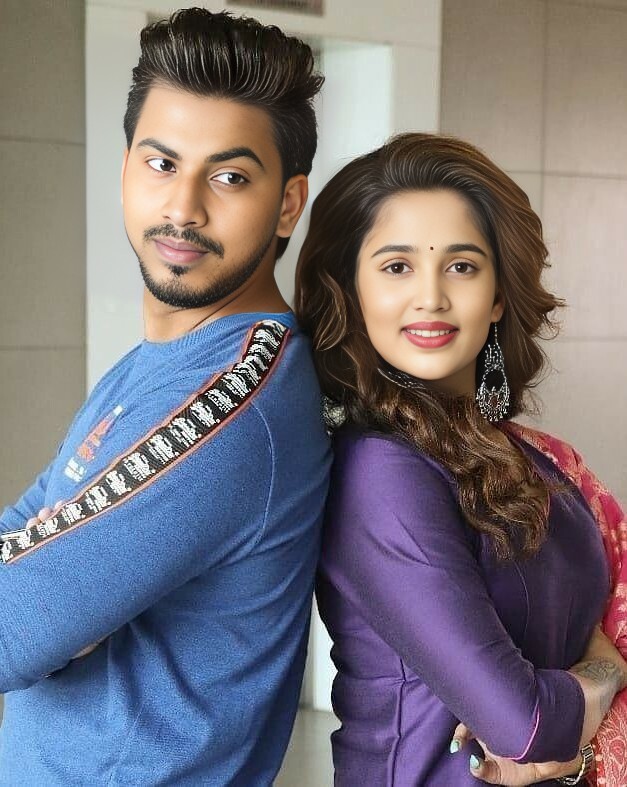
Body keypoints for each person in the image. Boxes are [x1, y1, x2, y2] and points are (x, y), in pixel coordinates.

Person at [0, 9, 330, 785]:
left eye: (229, 177)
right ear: (126, 170)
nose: (183, 207)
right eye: (160, 163)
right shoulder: (163, 362)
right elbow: (31, 522)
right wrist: (50, 591)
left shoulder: (232, 402)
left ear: (288, 203)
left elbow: (12, 627)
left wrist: (49, 607)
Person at [294, 132, 627, 786]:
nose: (431, 297)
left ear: (498, 293)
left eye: (462, 266)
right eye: (396, 267)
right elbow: (524, 726)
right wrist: (608, 671)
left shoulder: (539, 460)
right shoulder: (380, 470)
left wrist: (583, 708)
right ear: (352, 292)